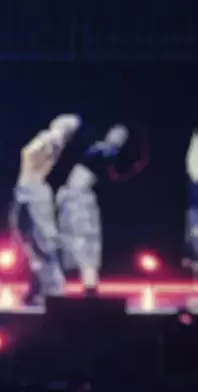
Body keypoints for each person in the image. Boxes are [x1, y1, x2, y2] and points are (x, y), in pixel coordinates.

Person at [57, 124, 147, 295]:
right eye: (114, 131)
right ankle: (84, 283)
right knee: (74, 239)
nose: (114, 134)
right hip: (73, 196)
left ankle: (90, 284)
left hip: (79, 197)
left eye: (120, 134)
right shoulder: (101, 149)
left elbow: (114, 171)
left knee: (83, 240)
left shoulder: (107, 151)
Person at [10, 114, 81, 305]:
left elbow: (28, 153)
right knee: (28, 242)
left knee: (41, 242)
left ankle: (54, 289)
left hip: (34, 192)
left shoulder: (51, 138)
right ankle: (37, 287)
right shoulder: (50, 139)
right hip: (25, 191)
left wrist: (48, 137)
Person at [184, 128, 198, 279]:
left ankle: (195, 255)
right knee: (194, 218)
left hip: (196, 182)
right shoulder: (196, 136)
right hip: (196, 182)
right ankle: (194, 255)